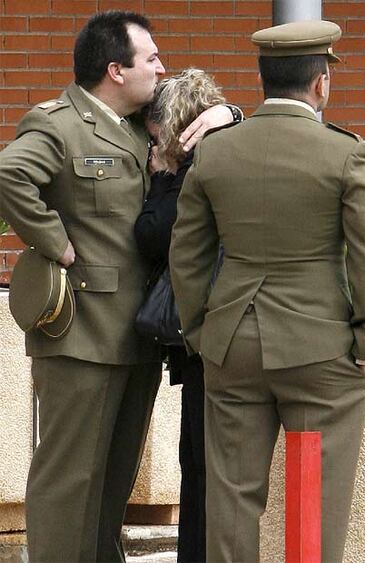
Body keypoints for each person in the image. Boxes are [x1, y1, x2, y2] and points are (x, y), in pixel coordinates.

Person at [0, 10, 240, 563]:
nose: (161, 66)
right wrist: (54, 242)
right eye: (151, 57)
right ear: (115, 69)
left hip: (138, 334)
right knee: (69, 478)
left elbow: (209, 115)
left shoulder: (140, 123)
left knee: (113, 478)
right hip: (81, 332)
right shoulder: (57, 125)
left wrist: (229, 111)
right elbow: (11, 175)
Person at [169, 20, 365, 563]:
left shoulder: (216, 152)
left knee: (233, 498)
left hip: (234, 346)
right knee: (311, 494)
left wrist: (202, 330)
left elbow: (187, 253)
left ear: (262, 76)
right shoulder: (345, 153)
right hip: (318, 352)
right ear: (322, 83)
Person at [134, 68, 227, 563]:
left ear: (173, 128)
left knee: (201, 465)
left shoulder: (188, 173)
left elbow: (153, 236)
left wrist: (159, 179)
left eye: (156, 137)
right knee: (202, 464)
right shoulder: (230, 145)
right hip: (220, 333)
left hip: (203, 339)